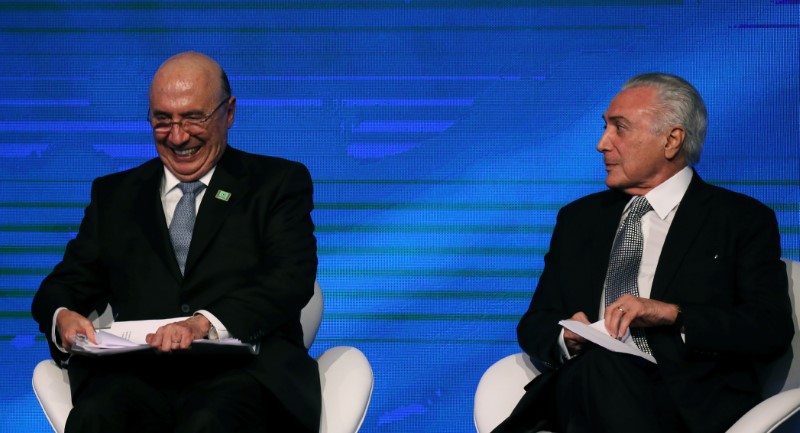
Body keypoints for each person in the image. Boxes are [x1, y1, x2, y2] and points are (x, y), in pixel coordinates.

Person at [31, 52, 320, 433]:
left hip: (244, 374)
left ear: (228, 113)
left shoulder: (276, 183)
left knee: (209, 422)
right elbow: (64, 284)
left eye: (193, 118)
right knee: (95, 417)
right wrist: (63, 317)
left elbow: (290, 278)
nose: (178, 136)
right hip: (137, 378)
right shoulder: (115, 195)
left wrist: (204, 324)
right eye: (162, 120)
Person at [492, 73, 793, 433]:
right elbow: (536, 322)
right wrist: (567, 337)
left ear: (671, 140)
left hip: (685, 402)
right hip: (583, 386)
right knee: (596, 367)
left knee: (599, 371)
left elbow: (769, 327)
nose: (602, 144)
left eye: (619, 128)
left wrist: (672, 314)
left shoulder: (739, 219)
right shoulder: (578, 219)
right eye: (604, 127)